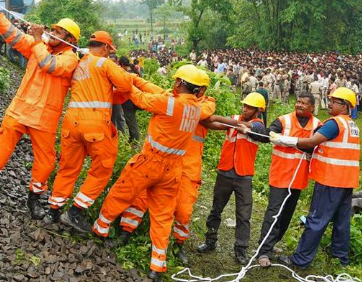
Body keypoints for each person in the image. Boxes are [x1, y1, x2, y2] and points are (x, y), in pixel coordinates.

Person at [0, 0, 80, 219]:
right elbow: (14, 36)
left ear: (71, 40)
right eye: (53, 29)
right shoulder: (40, 46)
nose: (53, 33)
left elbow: (49, 65)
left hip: (45, 119)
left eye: (59, 32)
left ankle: (34, 200)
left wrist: (37, 40)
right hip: (20, 110)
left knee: (45, 163)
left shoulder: (70, 59)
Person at [91, 65, 207, 280]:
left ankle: (100, 229)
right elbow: (153, 90)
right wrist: (135, 78)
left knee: (121, 193)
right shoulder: (196, 109)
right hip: (173, 169)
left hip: (150, 161)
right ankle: (157, 265)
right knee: (162, 217)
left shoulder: (168, 103)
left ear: (179, 83)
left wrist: (123, 81)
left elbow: (139, 97)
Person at [115, 77, 219, 265]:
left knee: (184, 210)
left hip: (188, 168)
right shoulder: (173, 98)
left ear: (201, 89)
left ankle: (178, 245)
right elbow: (150, 87)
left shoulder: (206, 104)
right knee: (140, 197)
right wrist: (129, 77)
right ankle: (125, 232)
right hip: (163, 161)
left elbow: (204, 112)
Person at [45, 31, 141, 232]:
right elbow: (124, 84)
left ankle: (54, 210)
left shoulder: (78, 64)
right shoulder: (104, 63)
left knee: (67, 167)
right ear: (105, 47)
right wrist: (129, 75)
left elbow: (99, 91)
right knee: (102, 168)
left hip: (71, 121)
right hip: (95, 123)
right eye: (109, 50)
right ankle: (76, 211)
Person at [273, 87, 360, 268]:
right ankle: (340, 258)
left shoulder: (334, 123)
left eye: (333, 101)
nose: (329, 104)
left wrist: (285, 140)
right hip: (346, 180)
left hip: (330, 179)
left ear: (343, 106)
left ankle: (300, 260)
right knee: (342, 221)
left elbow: (312, 142)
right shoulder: (352, 125)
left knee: (316, 219)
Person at [197, 92, 269, 265]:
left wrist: (223, 118)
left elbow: (256, 130)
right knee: (216, 209)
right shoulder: (235, 118)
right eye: (244, 105)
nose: (245, 109)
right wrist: (207, 116)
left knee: (243, 215)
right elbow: (211, 123)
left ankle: (240, 250)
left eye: (249, 107)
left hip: (244, 175)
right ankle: (210, 241)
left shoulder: (258, 125)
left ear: (258, 110)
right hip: (225, 172)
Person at [254, 92, 321, 268]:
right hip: (281, 175)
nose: (299, 105)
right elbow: (271, 135)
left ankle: (272, 242)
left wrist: (294, 142)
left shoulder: (317, 125)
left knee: (286, 215)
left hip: (298, 178)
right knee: (274, 213)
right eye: (298, 102)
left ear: (312, 107)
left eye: (304, 103)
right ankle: (263, 251)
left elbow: (318, 147)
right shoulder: (283, 120)